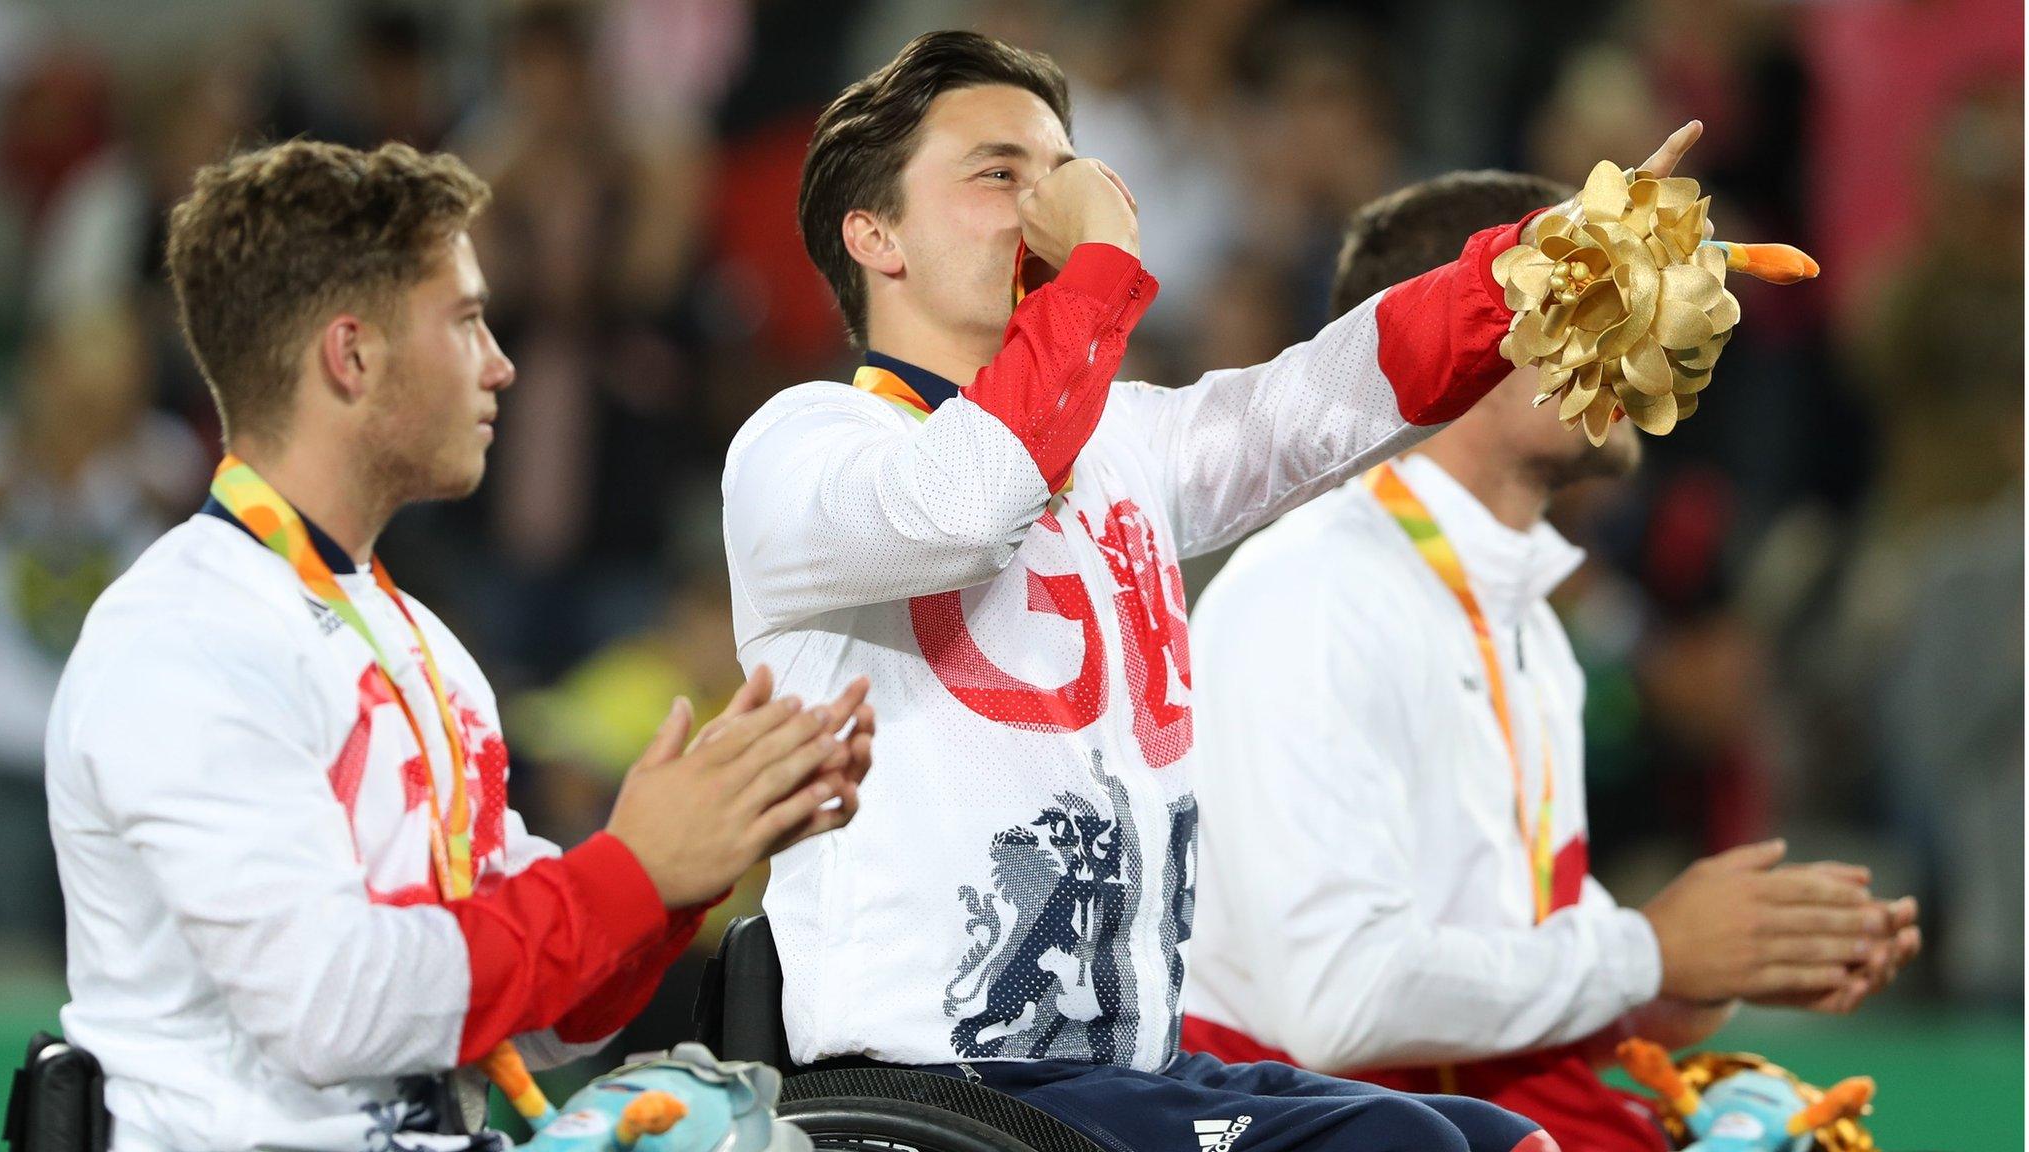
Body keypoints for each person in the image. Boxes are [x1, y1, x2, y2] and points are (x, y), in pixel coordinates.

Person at [722, 29, 1700, 1152]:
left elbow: (1327, 397)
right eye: (999, 175)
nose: (1046, 207)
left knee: (1502, 1145)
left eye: (1058, 173)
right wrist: (1095, 266)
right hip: (934, 1079)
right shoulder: (801, 449)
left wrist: (1530, 264)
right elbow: (966, 500)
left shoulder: (1124, 445)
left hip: (1133, 1071)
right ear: (874, 234)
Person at [44, 140, 873, 1152]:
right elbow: (330, 1009)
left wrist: (687, 864)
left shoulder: (417, 639)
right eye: (467, 320)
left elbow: (540, 1016)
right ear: (351, 356)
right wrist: (629, 872)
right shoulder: (181, 638)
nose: (501, 362)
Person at [1178, 172, 1922, 1151]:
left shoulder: (1518, 612)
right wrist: (1646, 952)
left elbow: (1502, 982)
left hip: (1448, 1109)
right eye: (1601, 307)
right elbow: (1333, 1001)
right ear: (1466, 337)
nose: (1644, 350)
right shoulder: (1311, 591)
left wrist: (1703, 969)